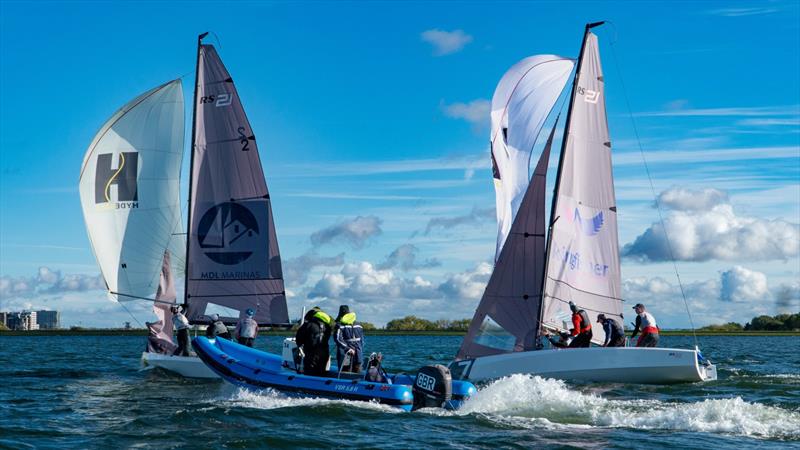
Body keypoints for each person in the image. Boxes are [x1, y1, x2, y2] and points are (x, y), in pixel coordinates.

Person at [294, 307, 332, 376]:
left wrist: (300, 344)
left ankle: (308, 384)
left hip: (312, 353)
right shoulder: (327, 326)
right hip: (325, 352)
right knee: (322, 371)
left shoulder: (308, 325)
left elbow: (299, 337)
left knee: (310, 371)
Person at [333, 305, 365, 373]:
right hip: (358, 354)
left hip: (345, 355)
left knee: (344, 372)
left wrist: (348, 349)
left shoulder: (340, 325)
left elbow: (338, 339)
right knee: (357, 372)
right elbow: (362, 341)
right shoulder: (359, 325)